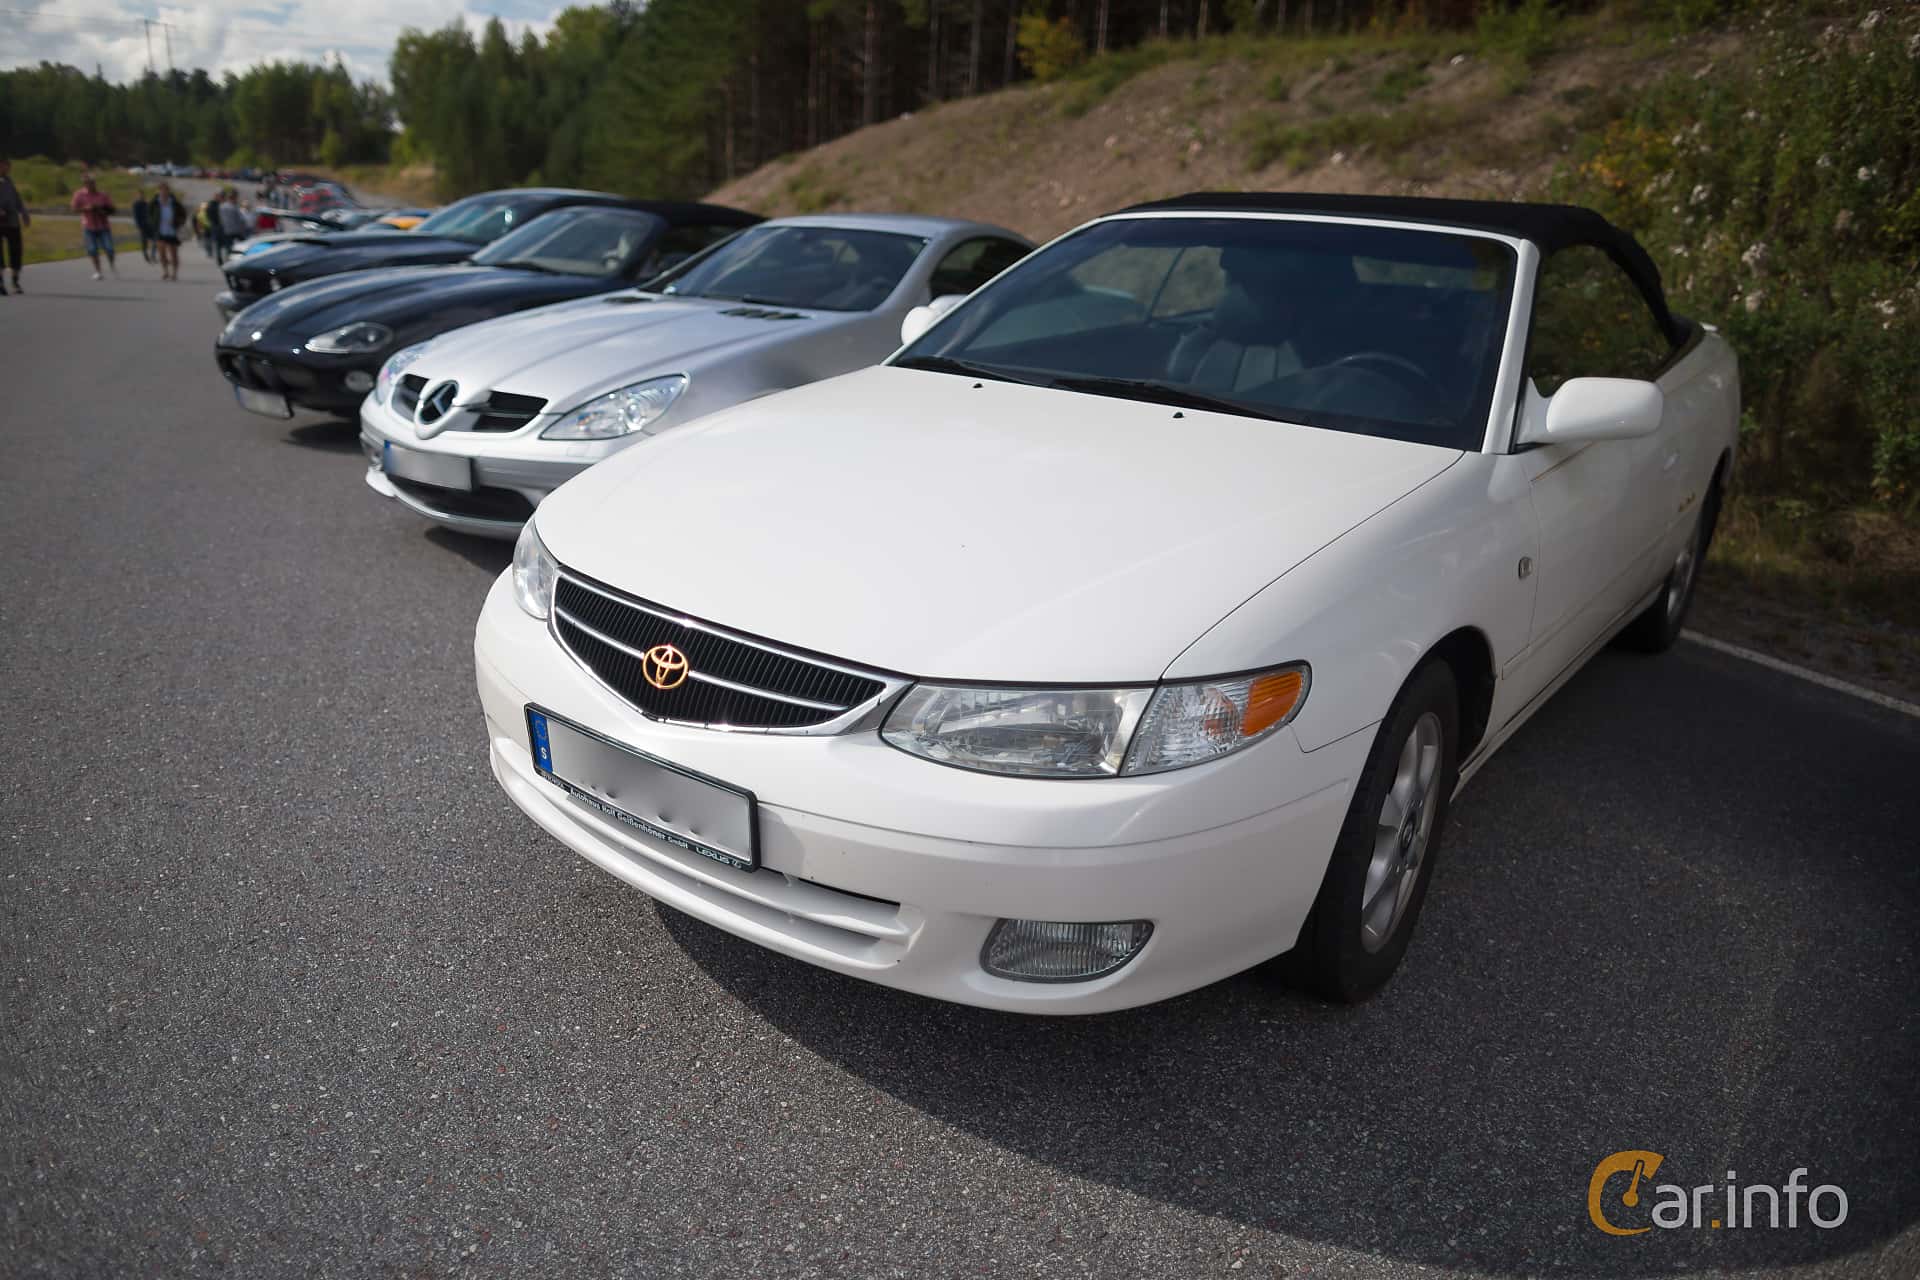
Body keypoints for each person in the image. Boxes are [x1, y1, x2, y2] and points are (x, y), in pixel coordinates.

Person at [70, 173, 117, 280]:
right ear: (84, 184)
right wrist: (86, 208)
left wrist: (102, 209)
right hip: (89, 226)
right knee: (92, 250)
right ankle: (98, 271)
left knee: (109, 248)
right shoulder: (79, 194)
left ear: (95, 183)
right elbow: (73, 208)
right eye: (87, 183)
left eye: (92, 182)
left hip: (103, 225)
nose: (90, 185)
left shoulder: (103, 195)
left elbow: (112, 209)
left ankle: (111, 263)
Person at [0, 155, 28, 296]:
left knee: (16, 251)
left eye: (8, 165)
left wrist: (24, 213)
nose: (7, 168)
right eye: (4, 165)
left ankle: (15, 281)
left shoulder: (9, 181)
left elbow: (17, 199)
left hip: (12, 221)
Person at [151, 181, 186, 281]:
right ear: (158, 191)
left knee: (173, 253)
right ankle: (165, 271)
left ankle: (174, 273)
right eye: (161, 190)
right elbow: (149, 214)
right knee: (162, 254)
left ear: (168, 191)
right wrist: (153, 223)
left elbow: (183, 214)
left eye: (165, 190)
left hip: (171, 231)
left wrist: (179, 222)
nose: (163, 192)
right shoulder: (155, 203)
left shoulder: (174, 202)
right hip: (160, 231)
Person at [216, 188, 250, 264]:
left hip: (226, 230)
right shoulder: (234, 207)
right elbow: (240, 219)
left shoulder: (222, 206)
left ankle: (228, 261)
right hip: (236, 230)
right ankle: (241, 260)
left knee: (229, 247)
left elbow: (221, 218)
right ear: (234, 198)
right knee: (243, 245)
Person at [131, 187, 156, 262]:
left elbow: (150, 213)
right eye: (139, 195)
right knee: (144, 241)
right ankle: (145, 254)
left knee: (155, 240)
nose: (141, 196)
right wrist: (138, 226)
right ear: (137, 196)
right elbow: (135, 216)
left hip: (150, 225)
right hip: (142, 225)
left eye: (142, 195)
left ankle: (153, 255)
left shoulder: (146, 203)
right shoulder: (136, 204)